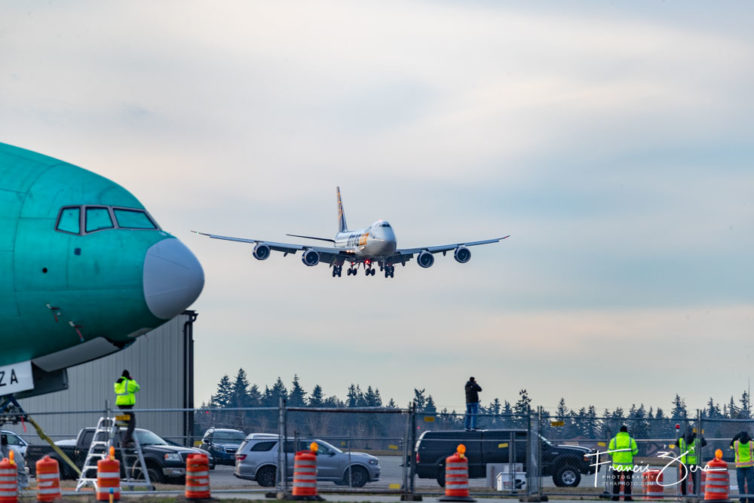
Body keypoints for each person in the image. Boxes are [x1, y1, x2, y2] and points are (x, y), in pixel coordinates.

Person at [608, 425, 638, 501]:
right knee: (627, 482)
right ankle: (627, 497)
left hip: (616, 464)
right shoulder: (631, 440)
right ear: (627, 431)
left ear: (619, 431)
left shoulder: (613, 440)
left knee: (616, 481)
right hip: (628, 464)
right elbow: (635, 452)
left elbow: (610, 452)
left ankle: (615, 497)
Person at [678, 426, 707, 496]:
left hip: (685, 463)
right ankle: (695, 494)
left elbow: (676, 443)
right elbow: (704, 443)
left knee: (684, 480)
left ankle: (684, 494)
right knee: (696, 480)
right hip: (695, 463)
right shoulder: (696, 441)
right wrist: (699, 435)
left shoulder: (681, 441)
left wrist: (683, 435)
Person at [114, 369, 140, 445]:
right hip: (127, 404)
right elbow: (137, 388)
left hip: (120, 404)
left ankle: (118, 420)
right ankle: (126, 440)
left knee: (129, 419)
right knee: (132, 421)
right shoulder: (129, 382)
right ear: (128, 375)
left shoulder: (118, 382)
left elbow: (117, 389)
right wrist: (132, 380)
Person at [732, 431, 754, 503]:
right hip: (750, 466)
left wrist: (737, 434)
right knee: (750, 484)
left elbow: (731, 442)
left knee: (741, 484)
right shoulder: (751, 444)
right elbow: (751, 441)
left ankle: (742, 500)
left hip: (739, 466)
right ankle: (751, 499)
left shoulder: (736, 444)